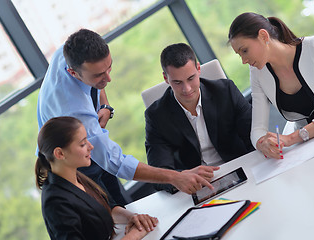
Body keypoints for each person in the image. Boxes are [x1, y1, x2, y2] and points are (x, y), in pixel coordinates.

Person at [37, 28, 214, 197]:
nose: (108, 79)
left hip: (88, 143)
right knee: (110, 214)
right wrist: (175, 177)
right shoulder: (75, 109)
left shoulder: (70, 50)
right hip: (71, 161)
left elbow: (97, 76)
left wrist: (104, 104)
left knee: (121, 206)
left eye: (109, 68)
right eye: (99, 75)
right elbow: (115, 162)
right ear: (73, 72)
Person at [228, 12, 314, 159]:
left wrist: (291, 138)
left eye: (245, 50)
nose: (243, 60)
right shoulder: (258, 73)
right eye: (239, 54)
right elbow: (257, 130)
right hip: (308, 149)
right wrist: (262, 143)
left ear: (263, 36)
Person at [145, 43, 254, 193]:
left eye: (191, 78)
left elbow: (253, 135)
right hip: (196, 187)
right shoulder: (156, 115)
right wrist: (180, 177)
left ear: (198, 68)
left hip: (241, 169)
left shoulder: (225, 91)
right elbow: (159, 173)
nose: (187, 89)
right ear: (166, 78)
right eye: (177, 82)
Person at [35, 116, 158, 240]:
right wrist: (134, 235)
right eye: (83, 144)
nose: (91, 146)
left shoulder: (78, 177)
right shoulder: (55, 202)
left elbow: (107, 209)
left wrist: (132, 217)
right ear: (60, 153)